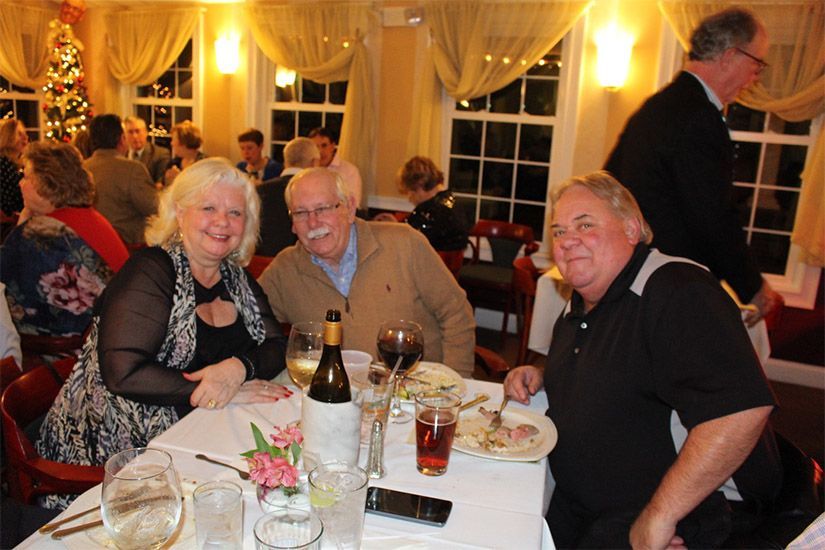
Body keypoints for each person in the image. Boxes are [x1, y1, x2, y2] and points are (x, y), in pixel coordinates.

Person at [504, 171, 781, 548]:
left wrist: (660, 515)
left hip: (673, 509)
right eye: (559, 232)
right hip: (582, 501)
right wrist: (542, 373)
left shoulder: (677, 291)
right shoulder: (586, 299)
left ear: (631, 229)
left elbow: (740, 410)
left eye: (584, 225)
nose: (568, 242)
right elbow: (618, 369)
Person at [37, 158, 290, 509]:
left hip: (193, 432)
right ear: (179, 212)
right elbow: (122, 374)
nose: (222, 221)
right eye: (208, 207)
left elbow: (276, 345)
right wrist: (215, 391)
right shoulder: (152, 270)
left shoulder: (234, 277)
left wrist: (237, 368)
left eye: (235, 213)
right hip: (113, 451)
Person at [604, 7, 782, 327]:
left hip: (633, 275)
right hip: (665, 284)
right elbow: (711, 217)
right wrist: (752, 286)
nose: (756, 77)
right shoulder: (698, 117)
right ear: (729, 56)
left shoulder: (656, 107)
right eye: (757, 64)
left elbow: (609, 185)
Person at [258, 168, 475, 377]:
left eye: (323, 209)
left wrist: (455, 384)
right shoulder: (285, 269)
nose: (313, 222)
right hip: (336, 400)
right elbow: (247, 326)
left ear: (350, 208)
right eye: (301, 213)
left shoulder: (404, 244)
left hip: (416, 395)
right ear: (292, 223)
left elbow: (457, 314)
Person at [1, 142, 129, 338]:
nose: (20, 183)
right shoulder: (91, 218)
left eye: (26, 176)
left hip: (73, 352)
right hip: (116, 333)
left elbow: (4, 276)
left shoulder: (44, 231)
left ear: (46, 183)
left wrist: (24, 222)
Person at [84, 113, 157, 245]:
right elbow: (154, 207)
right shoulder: (133, 170)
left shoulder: (82, 168)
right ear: (122, 139)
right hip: (127, 249)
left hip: (90, 246)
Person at [256, 137, 319, 257]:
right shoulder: (316, 194)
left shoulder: (260, 191)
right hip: (301, 266)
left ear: (286, 162)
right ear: (314, 163)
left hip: (260, 266)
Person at [394, 156, 469, 251]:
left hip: (430, 263)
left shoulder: (429, 212)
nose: (410, 198)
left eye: (410, 192)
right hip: (450, 264)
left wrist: (394, 228)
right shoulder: (452, 201)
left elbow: (408, 243)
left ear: (419, 186)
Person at [308, 127, 363, 208]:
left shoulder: (350, 171)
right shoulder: (306, 170)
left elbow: (354, 203)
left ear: (333, 146)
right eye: (315, 147)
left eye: (324, 145)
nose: (320, 151)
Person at [123, 115, 170, 186]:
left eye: (137, 131)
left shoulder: (160, 154)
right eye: (130, 132)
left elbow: (160, 183)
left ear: (145, 132)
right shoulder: (121, 154)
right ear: (124, 135)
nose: (135, 136)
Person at [0, 118, 28, 216]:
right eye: (19, 134)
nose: (25, 137)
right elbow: (7, 205)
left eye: (25, 133)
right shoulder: (3, 165)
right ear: (7, 137)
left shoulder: (15, 164)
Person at [164, 120, 206, 186]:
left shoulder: (204, 164)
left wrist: (179, 178)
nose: (171, 143)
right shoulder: (174, 163)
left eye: (174, 139)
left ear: (184, 142)